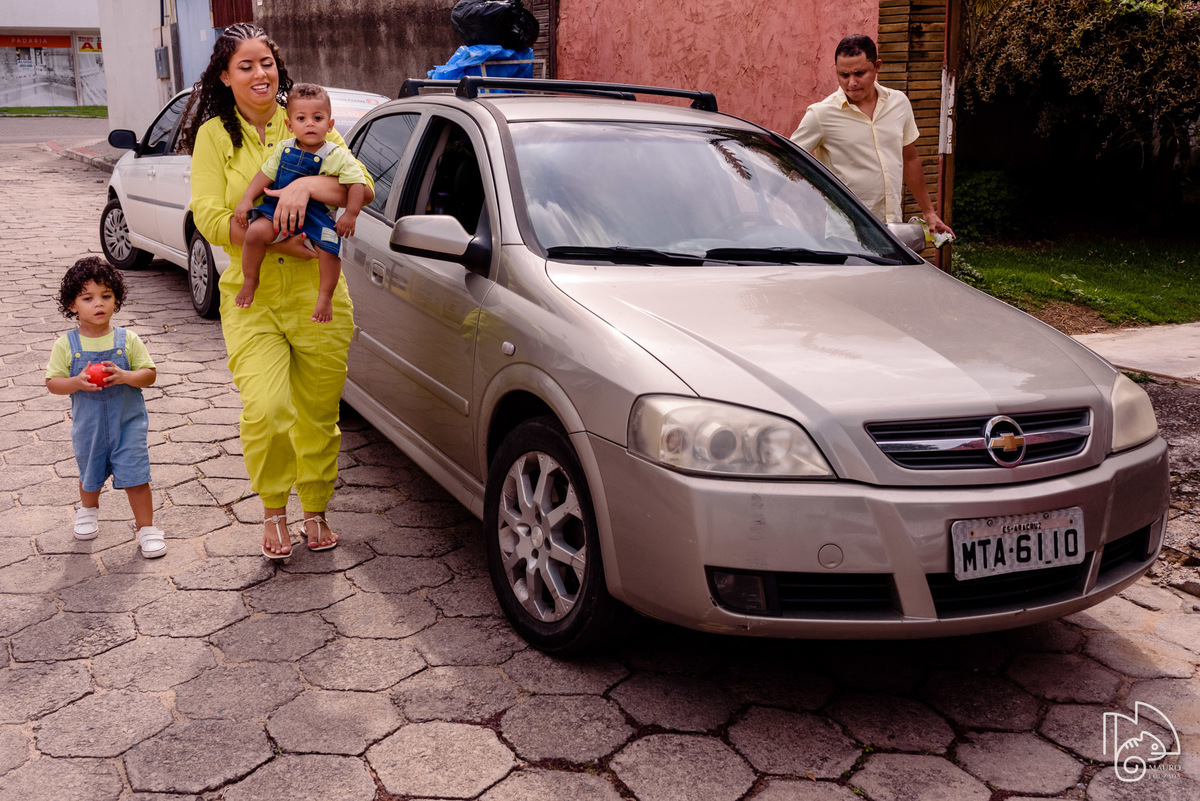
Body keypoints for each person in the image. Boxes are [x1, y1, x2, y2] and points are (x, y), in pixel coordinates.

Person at [182, 23, 374, 560]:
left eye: (266, 62)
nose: (260, 74)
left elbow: (358, 185)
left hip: (320, 296)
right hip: (253, 295)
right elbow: (211, 217)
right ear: (225, 76)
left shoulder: (309, 119)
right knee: (266, 410)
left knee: (318, 413)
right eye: (245, 66)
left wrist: (304, 185)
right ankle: (273, 509)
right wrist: (283, 246)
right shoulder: (216, 137)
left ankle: (315, 509)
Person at [45, 257, 166, 559]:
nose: (98, 304)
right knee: (89, 473)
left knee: (137, 477)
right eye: (87, 298)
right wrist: (77, 382)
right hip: (90, 428)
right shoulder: (66, 345)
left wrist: (126, 376)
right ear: (72, 305)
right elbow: (53, 382)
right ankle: (88, 511)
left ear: (116, 300)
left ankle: (147, 529)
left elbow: (149, 374)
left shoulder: (128, 340)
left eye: (106, 296)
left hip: (128, 425)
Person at [791, 33, 952, 238]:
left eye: (859, 73)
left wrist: (929, 212)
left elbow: (910, 158)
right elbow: (785, 162)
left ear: (877, 67)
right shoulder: (820, 115)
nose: (851, 83)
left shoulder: (899, 103)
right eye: (844, 75)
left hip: (891, 231)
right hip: (846, 234)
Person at [233, 83, 369, 322]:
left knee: (329, 251)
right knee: (254, 233)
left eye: (318, 118)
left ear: (330, 125)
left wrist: (351, 214)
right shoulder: (284, 150)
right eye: (301, 118)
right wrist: (246, 198)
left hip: (317, 216)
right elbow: (264, 175)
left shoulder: (337, 154)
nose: (310, 123)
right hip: (278, 212)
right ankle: (250, 280)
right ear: (289, 125)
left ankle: (325, 297)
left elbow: (357, 183)